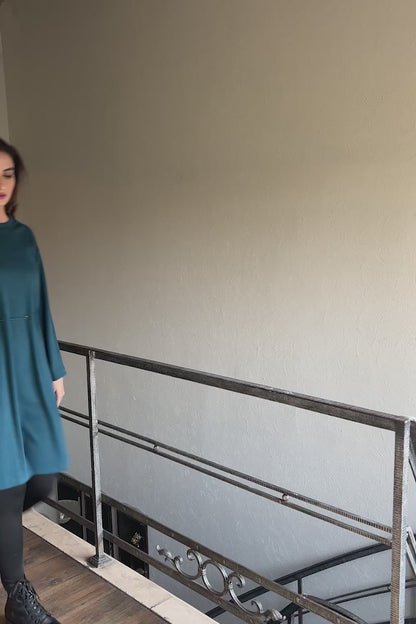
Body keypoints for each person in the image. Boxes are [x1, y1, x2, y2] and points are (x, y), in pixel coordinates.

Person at [0, 137, 68, 624]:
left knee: (42, 475)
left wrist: (55, 368)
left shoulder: (23, 237)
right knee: (6, 482)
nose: (0, 184)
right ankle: (19, 598)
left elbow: (42, 305)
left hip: (27, 368)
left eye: (7, 174)